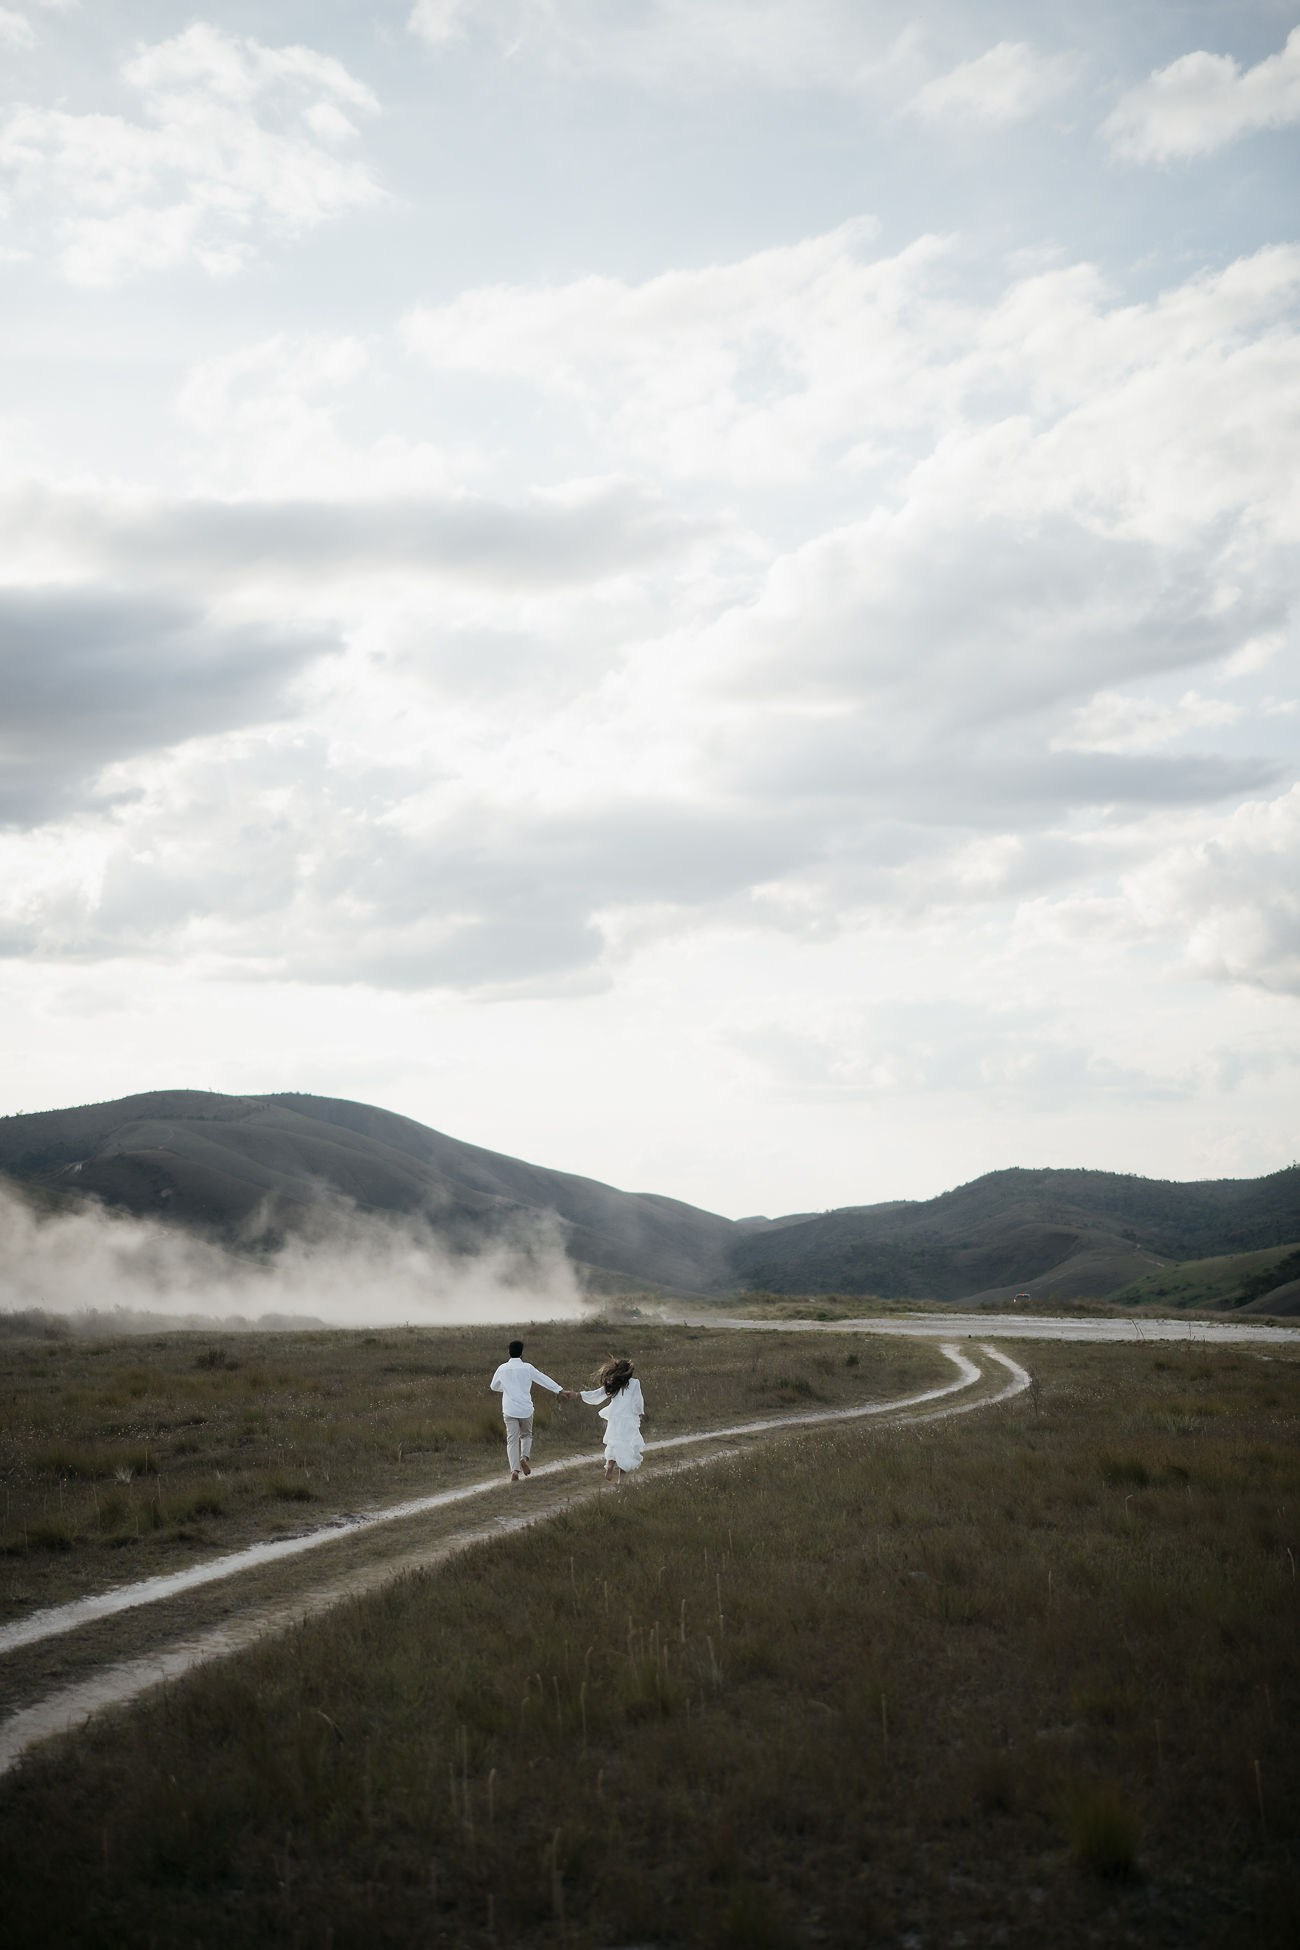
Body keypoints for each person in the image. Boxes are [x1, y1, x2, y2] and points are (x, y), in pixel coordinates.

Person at [489, 1340, 573, 1481]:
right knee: (526, 1435)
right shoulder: (527, 1368)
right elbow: (543, 1379)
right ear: (521, 1353)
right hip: (526, 1409)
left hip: (509, 1410)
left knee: (512, 1440)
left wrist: (507, 1389)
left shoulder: (502, 1368)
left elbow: (493, 1386)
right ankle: (524, 1458)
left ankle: (514, 1471)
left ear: (508, 1352)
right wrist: (559, 1390)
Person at [580, 1356, 645, 1483]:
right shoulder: (635, 1383)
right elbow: (638, 1401)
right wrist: (639, 1412)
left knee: (614, 1442)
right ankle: (622, 1480)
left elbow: (598, 1394)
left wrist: (580, 1395)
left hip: (615, 1417)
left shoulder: (614, 1383)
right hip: (628, 1418)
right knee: (626, 1447)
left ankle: (610, 1465)